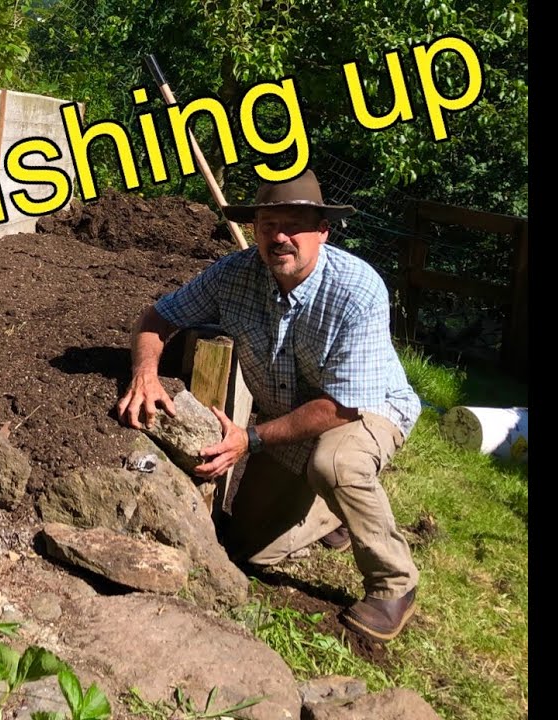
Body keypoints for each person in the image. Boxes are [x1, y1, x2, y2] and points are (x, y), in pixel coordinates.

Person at [114, 169, 422, 643]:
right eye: (266, 224)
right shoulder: (234, 274)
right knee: (249, 552)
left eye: (293, 225)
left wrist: (250, 439)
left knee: (335, 462)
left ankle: (393, 583)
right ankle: (334, 514)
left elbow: (339, 408)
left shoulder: (357, 291)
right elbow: (158, 317)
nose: (278, 237)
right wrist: (145, 374)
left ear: (323, 231)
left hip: (366, 409)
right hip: (291, 417)